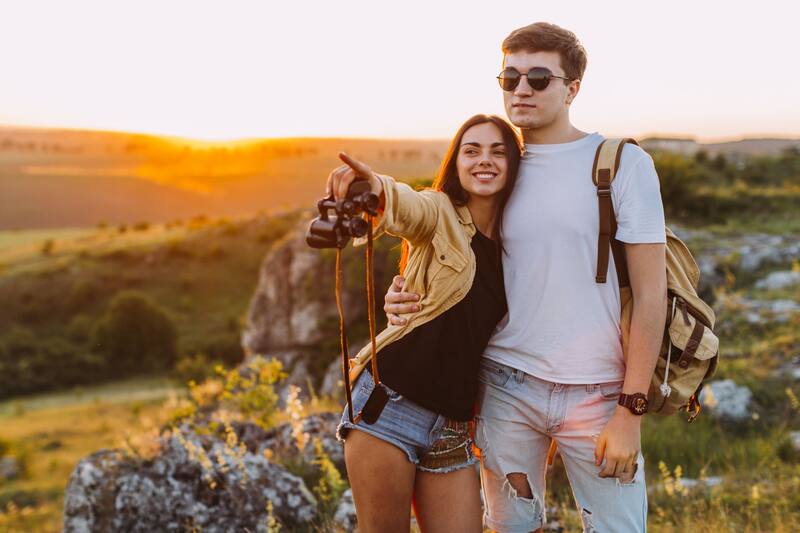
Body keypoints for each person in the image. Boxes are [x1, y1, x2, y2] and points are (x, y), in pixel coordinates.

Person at [383, 22, 668, 533]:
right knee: (511, 527)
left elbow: (651, 296)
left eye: (539, 78)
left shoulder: (622, 164)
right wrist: (406, 292)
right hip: (506, 384)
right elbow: (444, 239)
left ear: (572, 88)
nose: (521, 90)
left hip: (599, 393)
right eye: (510, 77)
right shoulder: (496, 166)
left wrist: (631, 411)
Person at [327, 114, 522, 533]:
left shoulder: (521, 244)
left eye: (497, 151)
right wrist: (375, 187)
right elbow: (404, 205)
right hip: (387, 408)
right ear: (456, 164)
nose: (483, 161)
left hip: (452, 426)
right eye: (471, 151)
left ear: (514, 164)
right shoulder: (441, 213)